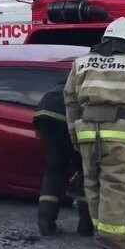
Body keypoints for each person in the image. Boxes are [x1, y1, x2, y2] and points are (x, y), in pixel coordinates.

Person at [64, 17, 125, 249]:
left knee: (92, 184)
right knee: (115, 186)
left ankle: (103, 233)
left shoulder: (81, 63)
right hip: (118, 134)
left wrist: (74, 133)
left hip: (86, 131)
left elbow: (70, 100)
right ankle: (115, 244)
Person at [34, 81, 92, 237]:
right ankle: (86, 226)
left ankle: (45, 223)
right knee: (85, 171)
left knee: (55, 169)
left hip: (44, 112)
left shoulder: (75, 72)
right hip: (67, 113)